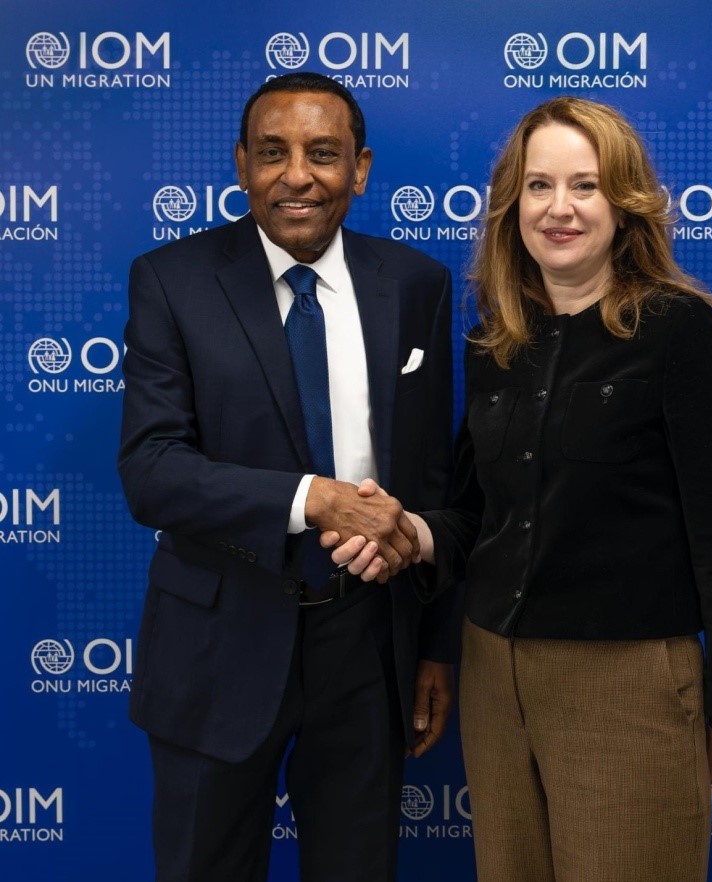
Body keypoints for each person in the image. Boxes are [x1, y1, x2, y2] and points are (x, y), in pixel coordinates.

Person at [330, 96, 712, 882]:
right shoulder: (494, 342)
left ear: (624, 204)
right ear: (512, 205)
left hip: (626, 680)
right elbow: (478, 513)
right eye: (538, 186)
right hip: (494, 673)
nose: (558, 208)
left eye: (584, 186)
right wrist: (410, 534)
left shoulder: (674, 331)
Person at [117, 72, 456, 882]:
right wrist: (314, 499)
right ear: (241, 165)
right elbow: (151, 470)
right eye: (272, 153)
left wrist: (435, 649)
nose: (296, 176)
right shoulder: (171, 279)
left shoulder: (417, 284)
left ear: (360, 169)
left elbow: (435, 485)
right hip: (218, 638)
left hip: (368, 642)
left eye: (323, 154)